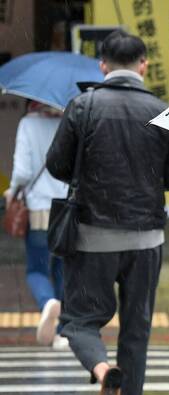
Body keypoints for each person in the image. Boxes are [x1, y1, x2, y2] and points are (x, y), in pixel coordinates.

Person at [46, 30, 169, 395]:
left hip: (93, 236)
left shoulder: (83, 106)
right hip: (146, 241)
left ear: (102, 65)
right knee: (137, 326)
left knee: (78, 321)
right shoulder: (162, 111)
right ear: (143, 64)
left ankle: (103, 370)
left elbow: (58, 165)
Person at [4, 101, 68, 347]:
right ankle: (62, 332)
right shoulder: (67, 121)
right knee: (62, 268)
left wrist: (12, 192)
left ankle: (47, 302)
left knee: (36, 269)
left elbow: (21, 172)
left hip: (39, 208)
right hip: (65, 208)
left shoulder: (28, 124)